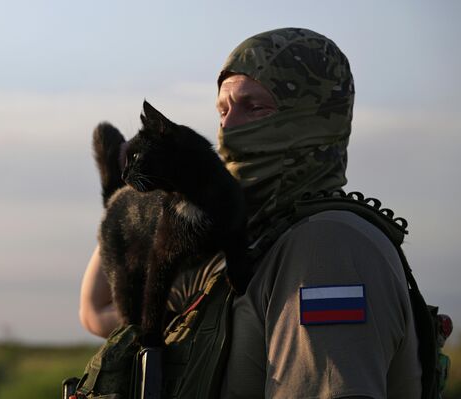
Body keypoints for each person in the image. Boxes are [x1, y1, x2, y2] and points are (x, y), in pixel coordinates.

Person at [80, 27, 422, 398]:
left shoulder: (329, 250)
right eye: (223, 109)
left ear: (310, 118)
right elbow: (99, 310)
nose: (227, 125)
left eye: (253, 107)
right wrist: (143, 191)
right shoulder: (250, 235)